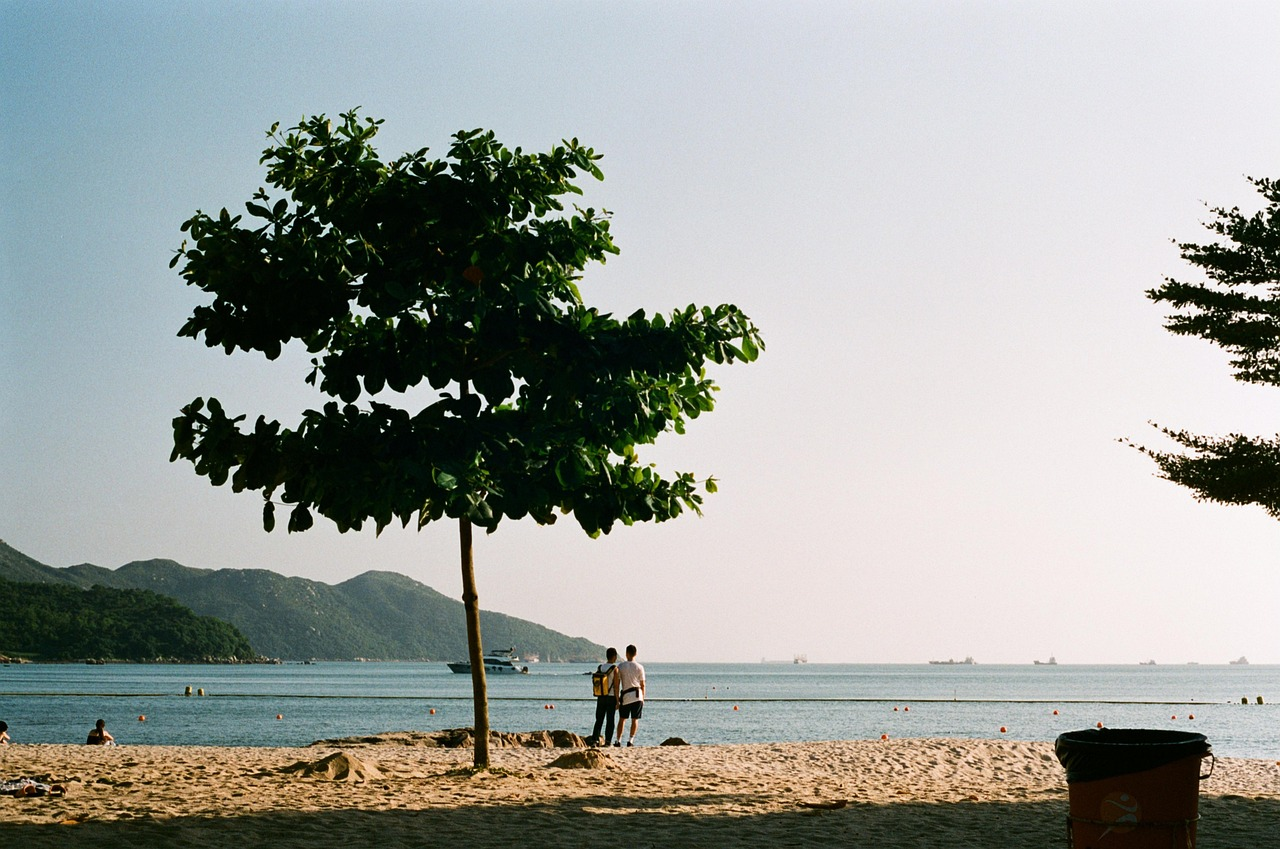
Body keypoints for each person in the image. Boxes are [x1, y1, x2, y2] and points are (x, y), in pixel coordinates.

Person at [613, 644, 646, 747]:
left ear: (626, 653)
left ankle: (618, 740)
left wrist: (617, 699)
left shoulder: (621, 666)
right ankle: (630, 740)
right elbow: (643, 684)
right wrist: (643, 698)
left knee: (622, 719)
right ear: (636, 653)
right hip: (637, 695)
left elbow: (617, 685)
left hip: (626, 695)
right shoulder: (640, 667)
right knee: (635, 719)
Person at [589, 647, 619, 747]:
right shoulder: (615, 669)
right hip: (611, 697)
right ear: (614, 657)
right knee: (610, 720)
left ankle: (595, 740)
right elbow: (616, 686)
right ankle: (608, 741)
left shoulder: (600, 667)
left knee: (599, 720)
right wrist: (618, 701)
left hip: (601, 696)